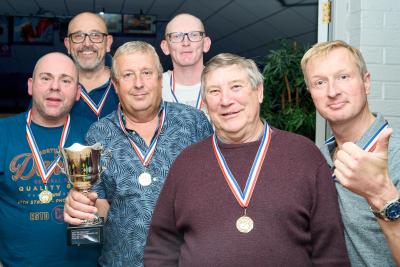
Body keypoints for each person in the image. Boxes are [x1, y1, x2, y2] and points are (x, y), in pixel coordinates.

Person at [144, 53, 350, 266]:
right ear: (204, 104)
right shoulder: (186, 164)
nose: (225, 101)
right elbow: (161, 248)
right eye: (215, 91)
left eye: (236, 87)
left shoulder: (304, 155)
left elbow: (330, 252)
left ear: (259, 91)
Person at [63, 41, 213, 266]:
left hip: (186, 261)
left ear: (160, 78)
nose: (139, 83)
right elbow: (100, 202)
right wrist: (82, 208)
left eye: (146, 73)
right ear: (115, 85)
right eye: (128, 75)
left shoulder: (193, 122)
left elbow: (215, 189)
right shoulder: (99, 133)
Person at [301, 40, 400, 266]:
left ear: (366, 83)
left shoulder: (395, 159)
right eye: (319, 82)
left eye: (343, 77)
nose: (332, 91)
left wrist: (382, 196)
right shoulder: (317, 161)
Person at [0, 52, 99, 266]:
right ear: (30, 85)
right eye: (46, 78)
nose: (55, 86)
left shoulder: (95, 135)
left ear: (77, 92)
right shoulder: (2, 133)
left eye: (65, 80)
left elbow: (111, 201)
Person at [64, 12, 119, 122]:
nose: (87, 43)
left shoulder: (127, 83)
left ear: (108, 43)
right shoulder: (53, 87)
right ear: (68, 45)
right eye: (78, 36)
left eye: (95, 35)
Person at [160, 13, 211, 111]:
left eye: (194, 35)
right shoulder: (154, 87)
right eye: (177, 36)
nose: (186, 43)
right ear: (165, 47)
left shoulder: (225, 83)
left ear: (206, 44)